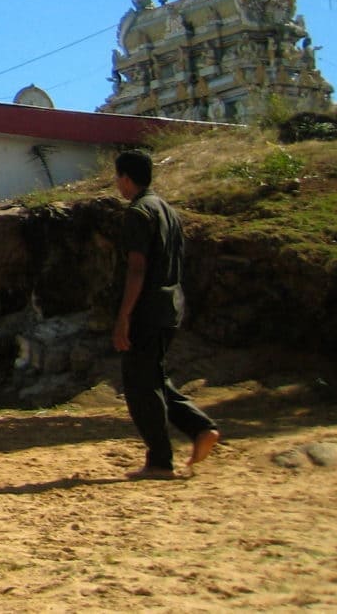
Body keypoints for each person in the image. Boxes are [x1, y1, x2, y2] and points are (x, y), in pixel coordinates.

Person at [112, 149, 221, 478]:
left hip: (146, 308)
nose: (117, 184)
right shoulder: (167, 211)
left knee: (139, 385)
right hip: (171, 304)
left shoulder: (138, 212)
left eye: (118, 178)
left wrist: (123, 317)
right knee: (153, 377)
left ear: (126, 178)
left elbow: (137, 269)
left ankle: (160, 460)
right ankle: (200, 428)